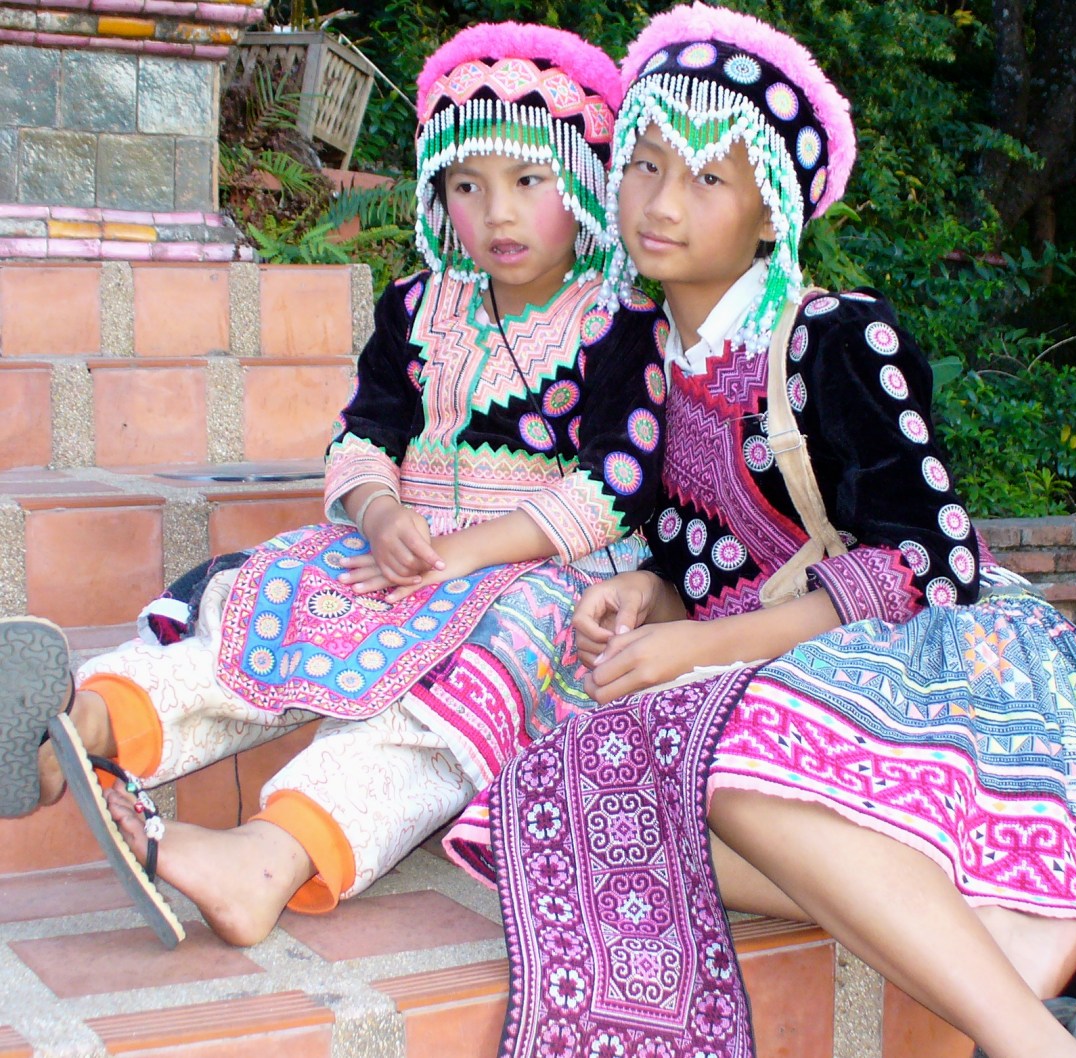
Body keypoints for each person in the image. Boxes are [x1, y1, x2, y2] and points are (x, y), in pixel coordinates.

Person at [443, 6, 1076, 1058]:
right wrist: (649, 593)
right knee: (565, 794)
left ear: (773, 214)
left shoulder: (836, 338)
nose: (661, 202)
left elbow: (932, 558)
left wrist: (706, 645)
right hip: (777, 665)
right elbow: (691, 548)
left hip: (942, 662)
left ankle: (1028, 1037)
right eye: (645, 165)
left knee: (718, 761)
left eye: (708, 179)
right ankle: (1008, 930)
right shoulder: (638, 355)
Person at [0, 21, 667, 950]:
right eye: (467, 186)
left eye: (529, 181)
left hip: (538, 574)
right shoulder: (415, 307)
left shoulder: (622, 325)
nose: (497, 214)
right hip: (403, 548)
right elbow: (363, 435)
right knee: (279, 602)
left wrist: (461, 558)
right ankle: (84, 725)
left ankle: (266, 860)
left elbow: (616, 485)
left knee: (458, 689)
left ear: (586, 184)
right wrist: (379, 511)